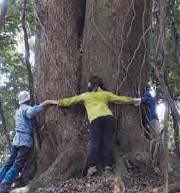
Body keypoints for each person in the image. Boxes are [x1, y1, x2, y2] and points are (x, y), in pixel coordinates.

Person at [57, 76, 141, 177]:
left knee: (95, 142)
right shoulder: (105, 94)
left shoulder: (85, 95)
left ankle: (92, 167)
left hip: (96, 120)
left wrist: (58, 102)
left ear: (91, 84)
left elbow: (70, 101)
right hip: (109, 119)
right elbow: (120, 99)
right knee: (107, 142)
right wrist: (135, 100)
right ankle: (107, 167)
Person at [0, 91, 57, 193]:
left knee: (8, 163)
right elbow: (33, 111)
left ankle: (1, 181)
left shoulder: (18, 111)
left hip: (16, 140)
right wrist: (49, 102)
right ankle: (4, 186)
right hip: (24, 140)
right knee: (18, 163)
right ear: (28, 100)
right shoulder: (26, 109)